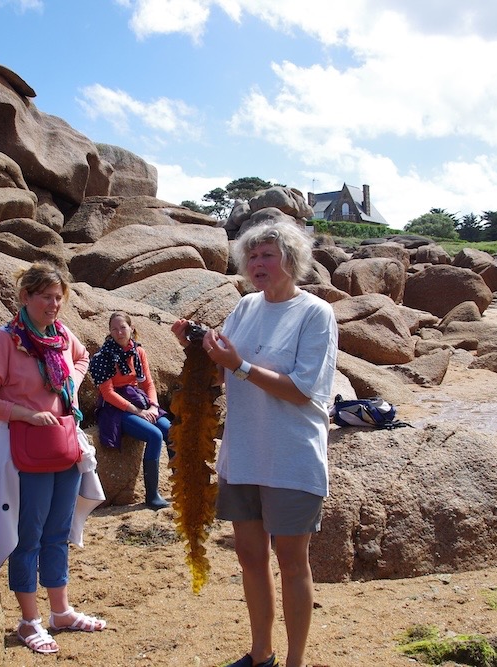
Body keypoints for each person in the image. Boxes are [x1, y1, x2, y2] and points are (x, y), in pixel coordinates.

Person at [172, 220, 338, 667]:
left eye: (268, 255)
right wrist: (197, 344)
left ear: (292, 260)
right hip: (243, 452)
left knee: (291, 561)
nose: (258, 263)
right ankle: (260, 653)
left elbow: (304, 389)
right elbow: (221, 362)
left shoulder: (314, 313)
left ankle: (295, 661)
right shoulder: (245, 307)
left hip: (290, 455)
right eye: (252, 255)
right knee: (249, 557)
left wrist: (239, 365)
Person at [0, 261, 106, 656]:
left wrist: (70, 385)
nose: (54, 305)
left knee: (58, 533)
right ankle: (28, 621)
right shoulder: (5, 341)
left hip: (64, 447)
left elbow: (83, 357)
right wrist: (24, 413)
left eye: (59, 298)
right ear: (25, 297)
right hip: (24, 452)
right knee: (28, 537)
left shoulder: (61, 335)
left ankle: (61, 612)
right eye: (46, 297)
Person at [89, 311, 173, 509]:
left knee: (170, 430)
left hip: (138, 399)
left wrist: (153, 406)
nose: (119, 332)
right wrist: (137, 411)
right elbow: (108, 393)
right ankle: (152, 495)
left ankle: (182, 486)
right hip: (115, 408)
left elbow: (148, 384)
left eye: (123, 327)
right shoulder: (104, 357)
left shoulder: (138, 352)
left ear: (131, 328)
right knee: (154, 435)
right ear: (109, 332)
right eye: (114, 329)